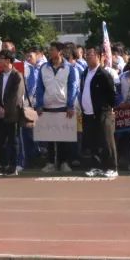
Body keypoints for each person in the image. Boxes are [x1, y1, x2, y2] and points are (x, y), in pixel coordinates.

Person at [34, 43, 79, 174]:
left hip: (63, 107)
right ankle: (50, 163)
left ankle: (64, 162)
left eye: (53, 50)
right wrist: (39, 105)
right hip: (47, 107)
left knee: (63, 137)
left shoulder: (69, 68)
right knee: (49, 137)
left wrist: (70, 105)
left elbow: (73, 87)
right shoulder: (43, 67)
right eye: (50, 49)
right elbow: (39, 87)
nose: (50, 52)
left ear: (60, 52)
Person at [81, 46, 118, 178]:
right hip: (88, 113)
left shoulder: (103, 74)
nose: (87, 57)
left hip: (103, 113)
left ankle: (112, 167)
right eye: (86, 55)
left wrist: (109, 108)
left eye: (90, 55)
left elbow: (112, 94)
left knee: (107, 141)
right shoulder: (85, 73)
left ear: (98, 56)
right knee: (93, 141)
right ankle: (96, 166)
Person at [0, 49, 25, 176]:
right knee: (0, 140)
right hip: (1, 114)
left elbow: (16, 96)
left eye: (1, 58)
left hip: (13, 114)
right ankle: (2, 165)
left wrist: (6, 110)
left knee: (13, 141)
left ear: (8, 60)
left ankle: (13, 166)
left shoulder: (17, 76)